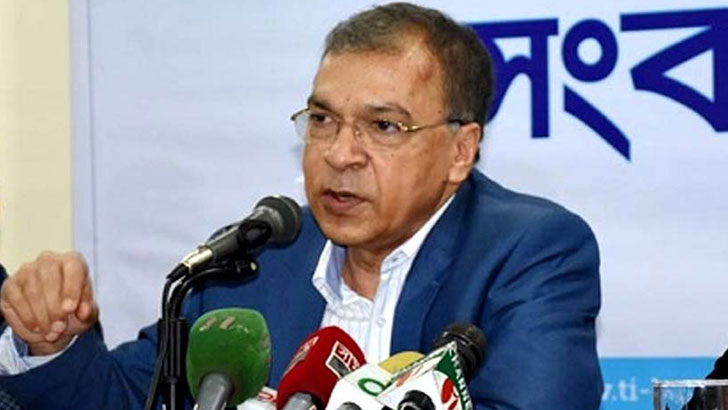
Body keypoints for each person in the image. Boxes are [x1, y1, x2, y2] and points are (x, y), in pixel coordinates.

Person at [0, 3, 602, 409]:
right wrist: (51, 342)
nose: (340, 154)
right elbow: (132, 396)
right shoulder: (255, 261)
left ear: (460, 151)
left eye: (384, 127)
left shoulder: (530, 253)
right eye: (322, 119)